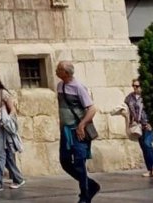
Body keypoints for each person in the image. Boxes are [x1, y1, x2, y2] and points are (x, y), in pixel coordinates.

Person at [56, 61, 100, 202]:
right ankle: (91, 184)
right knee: (65, 161)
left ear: (66, 73)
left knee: (79, 163)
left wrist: (82, 125)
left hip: (78, 132)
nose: (56, 71)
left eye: (59, 69)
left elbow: (92, 109)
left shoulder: (79, 87)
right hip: (66, 131)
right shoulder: (60, 86)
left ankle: (85, 195)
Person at [113, 79, 153, 176]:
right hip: (137, 125)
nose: (135, 88)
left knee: (147, 143)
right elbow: (126, 109)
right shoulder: (129, 98)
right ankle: (149, 169)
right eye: (133, 85)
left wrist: (152, 122)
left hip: (147, 124)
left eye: (137, 86)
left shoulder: (147, 97)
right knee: (143, 146)